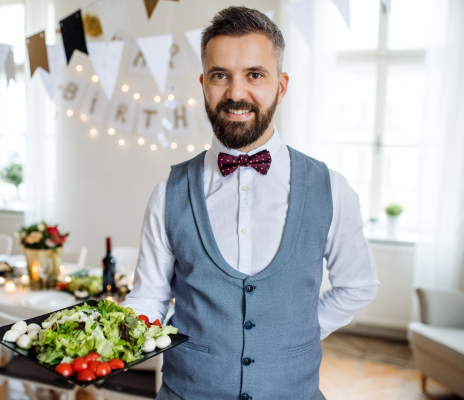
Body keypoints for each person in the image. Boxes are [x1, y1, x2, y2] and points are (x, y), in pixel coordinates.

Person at [122, 6, 380, 400]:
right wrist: (111, 339)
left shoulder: (331, 188)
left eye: (254, 75)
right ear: (203, 83)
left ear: (281, 85)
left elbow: (358, 285)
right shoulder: (167, 194)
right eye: (220, 75)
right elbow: (150, 296)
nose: (236, 93)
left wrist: (300, 330)